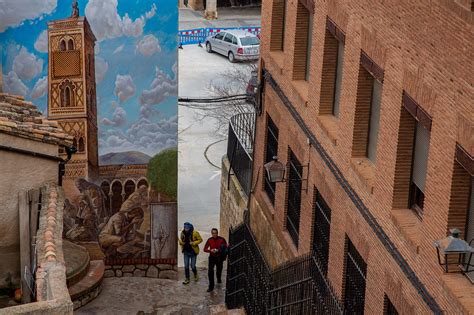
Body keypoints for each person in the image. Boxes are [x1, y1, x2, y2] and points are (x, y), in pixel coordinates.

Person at [204, 228, 228, 292]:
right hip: (212, 257)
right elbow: (205, 249)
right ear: (211, 234)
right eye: (213, 233)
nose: (214, 234)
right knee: (210, 272)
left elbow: (226, 247)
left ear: (217, 233)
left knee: (219, 270)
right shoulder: (209, 240)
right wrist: (210, 250)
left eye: (216, 233)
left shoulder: (222, 239)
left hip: (219, 257)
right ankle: (211, 286)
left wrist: (219, 250)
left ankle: (219, 278)